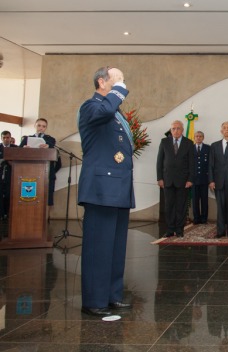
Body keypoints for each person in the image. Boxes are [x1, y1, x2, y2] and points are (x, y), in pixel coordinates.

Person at [77, 66, 135, 316]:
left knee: (115, 247)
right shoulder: (92, 107)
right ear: (102, 82)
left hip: (118, 186)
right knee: (98, 247)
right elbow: (105, 109)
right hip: (101, 188)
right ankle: (94, 300)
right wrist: (120, 90)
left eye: (122, 80)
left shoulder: (113, 111)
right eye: (116, 79)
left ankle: (112, 295)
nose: (122, 83)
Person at [157, 120, 195, 237]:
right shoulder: (164, 142)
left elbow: (191, 163)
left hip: (183, 181)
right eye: (173, 128)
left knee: (181, 206)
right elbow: (159, 162)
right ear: (171, 130)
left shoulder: (188, 143)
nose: (175, 131)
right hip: (167, 180)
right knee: (168, 206)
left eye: (178, 128)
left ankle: (179, 229)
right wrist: (160, 178)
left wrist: (190, 179)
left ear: (182, 130)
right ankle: (170, 229)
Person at [20, 118, 62, 206]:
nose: (41, 128)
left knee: (45, 200)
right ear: (35, 126)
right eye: (39, 125)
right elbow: (17, 152)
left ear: (46, 128)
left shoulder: (50, 139)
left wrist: (48, 146)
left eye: (43, 126)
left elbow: (52, 147)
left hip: (45, 173)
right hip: (29, 173)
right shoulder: (27, 138)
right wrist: (23, 149)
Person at [191, 131, 210, 224]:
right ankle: (196, 218)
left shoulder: (208, 148)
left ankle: (204, 218)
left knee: (204, 200)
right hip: (194, 179)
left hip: (204, 178)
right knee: (195, 200)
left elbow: (211, 164)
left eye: (200, 136)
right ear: (194, 138)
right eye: (196, 136)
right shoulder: (190, 148)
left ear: (203, 138)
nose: (198, 138)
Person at [0, 130, 17, 220]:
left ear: (10, 138)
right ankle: (1, 214)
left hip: (11, 175)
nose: (6, 139)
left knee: (8, 195)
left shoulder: (15, 148)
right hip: (1, 174)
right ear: (1, 138)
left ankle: (8, 213)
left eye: (8, 137)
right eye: (4, 137)